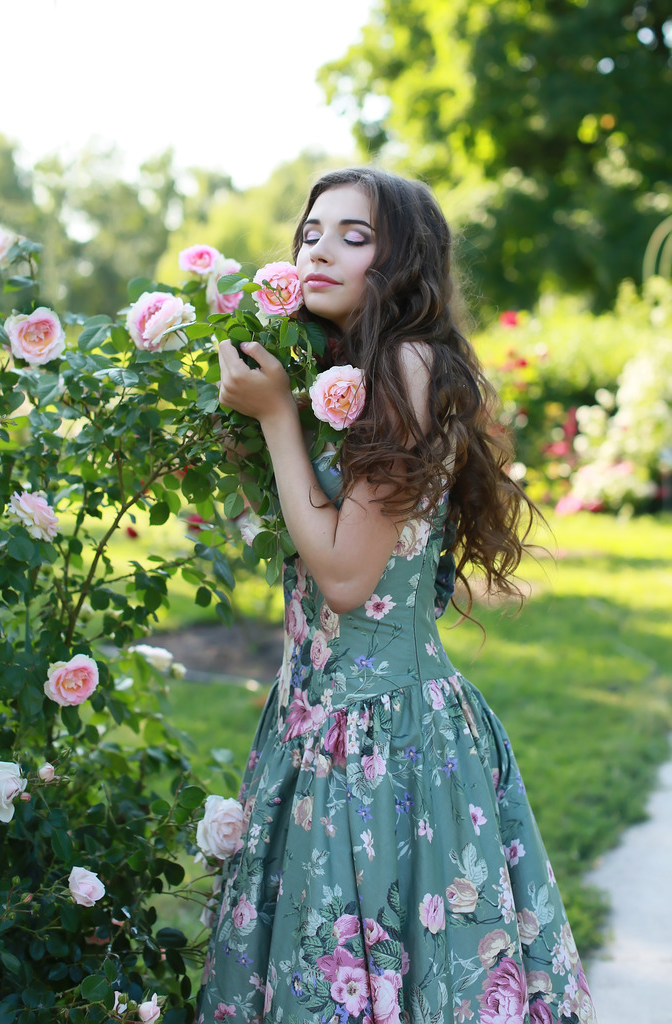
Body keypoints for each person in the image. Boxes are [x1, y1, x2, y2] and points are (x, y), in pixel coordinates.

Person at [196, 168, 596, 1024]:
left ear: (404, 259)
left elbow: (344, 579)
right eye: (310, 232)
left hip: (388, 740)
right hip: (313, 723)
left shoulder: (409, 363)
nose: (319, 250)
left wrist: (273, 420)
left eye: (354, 234)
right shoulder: (341, 370)